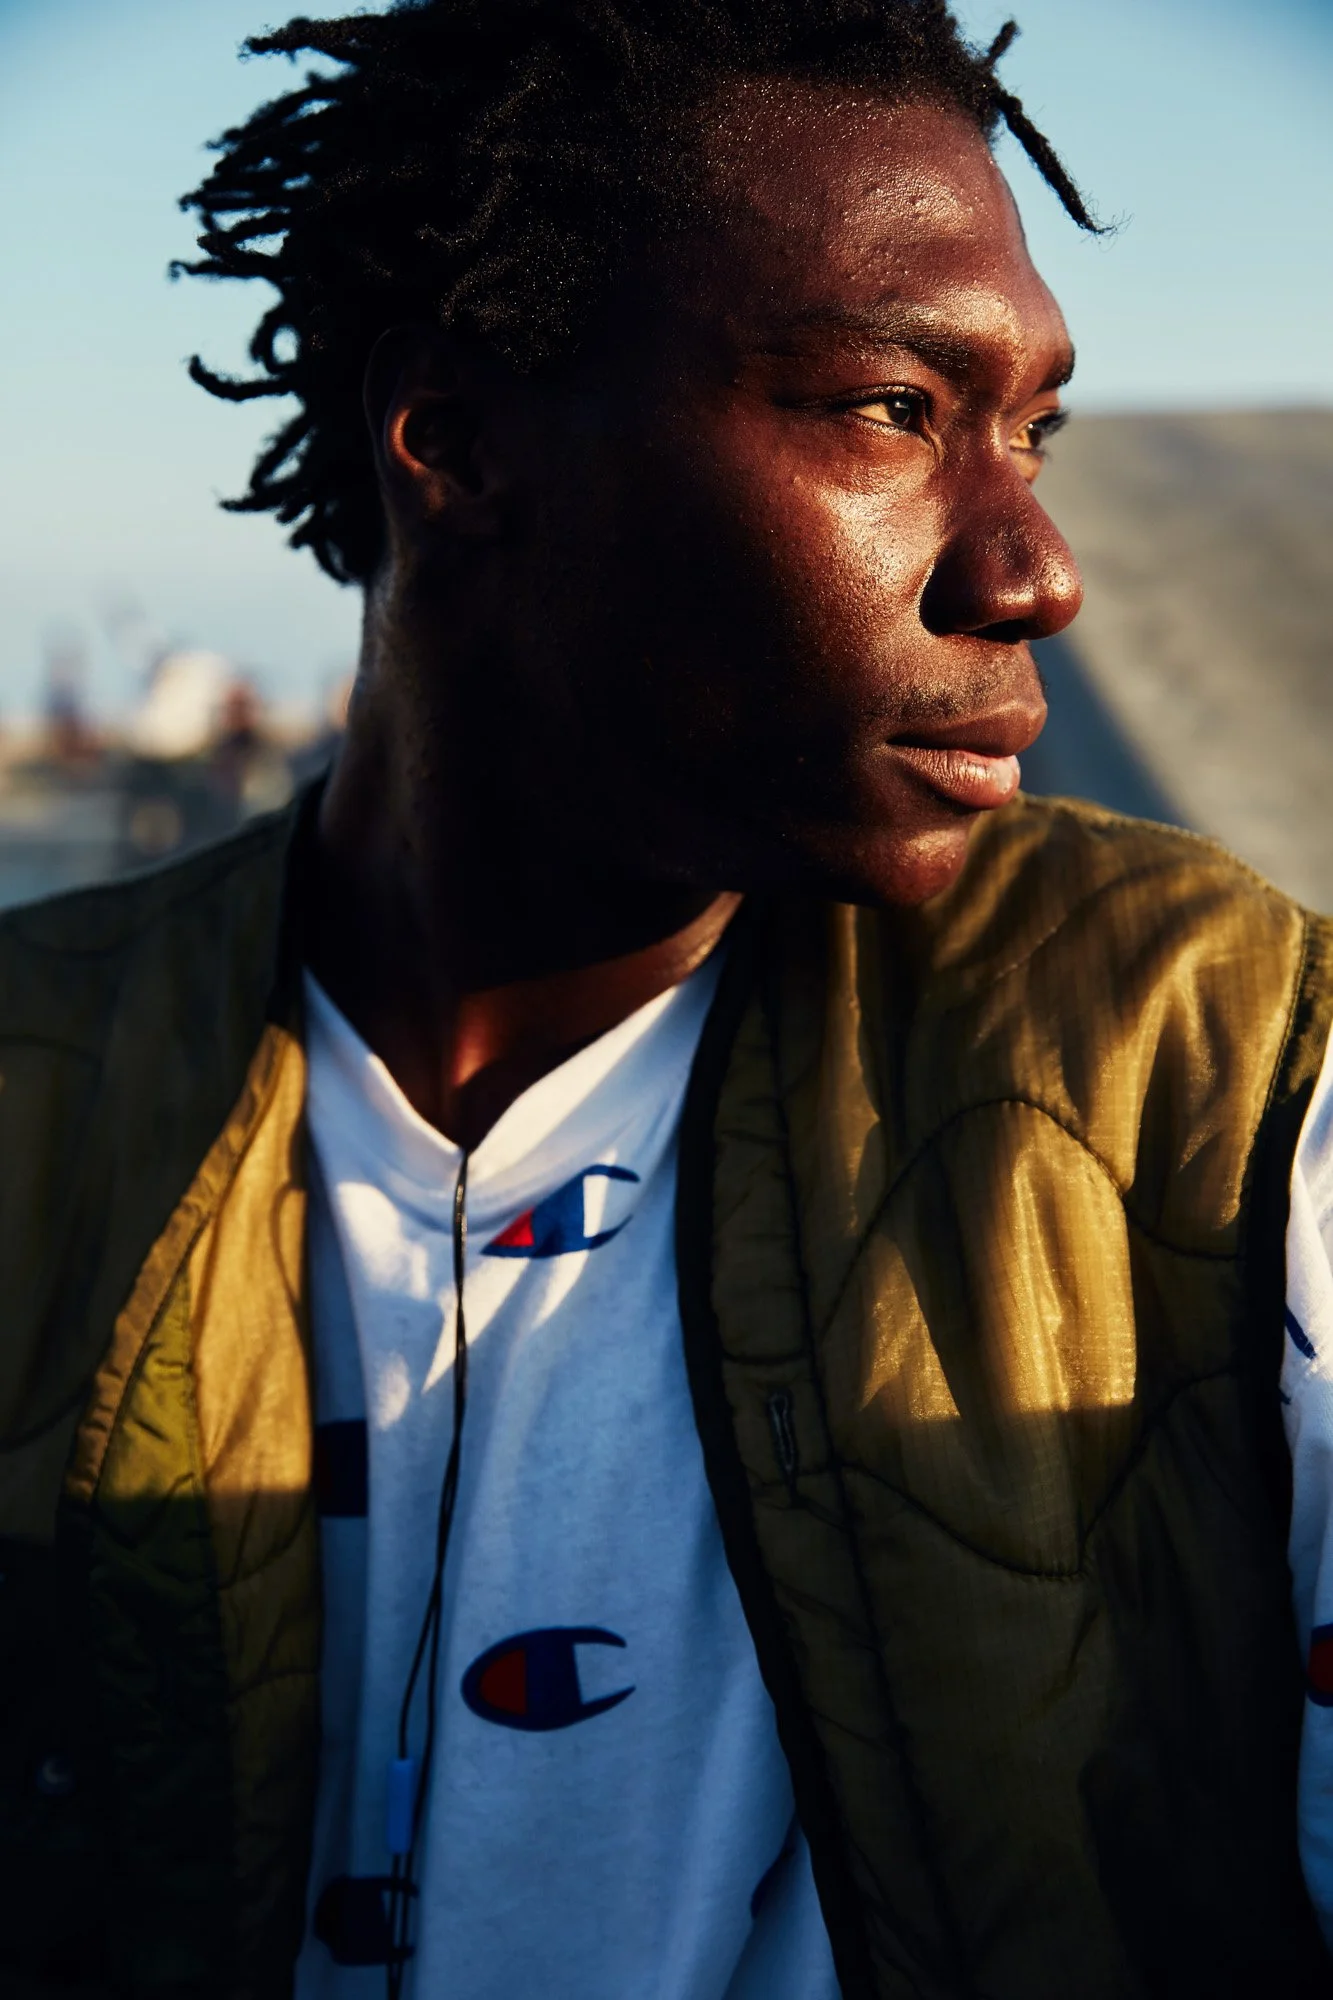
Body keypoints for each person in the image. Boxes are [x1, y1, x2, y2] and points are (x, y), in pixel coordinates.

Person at [1, 2, 1330, 1995]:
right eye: (894, 408)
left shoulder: (1222, 1058)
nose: (1035, 569)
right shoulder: (35, 1078)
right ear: (457, 443)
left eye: (1030, 431)